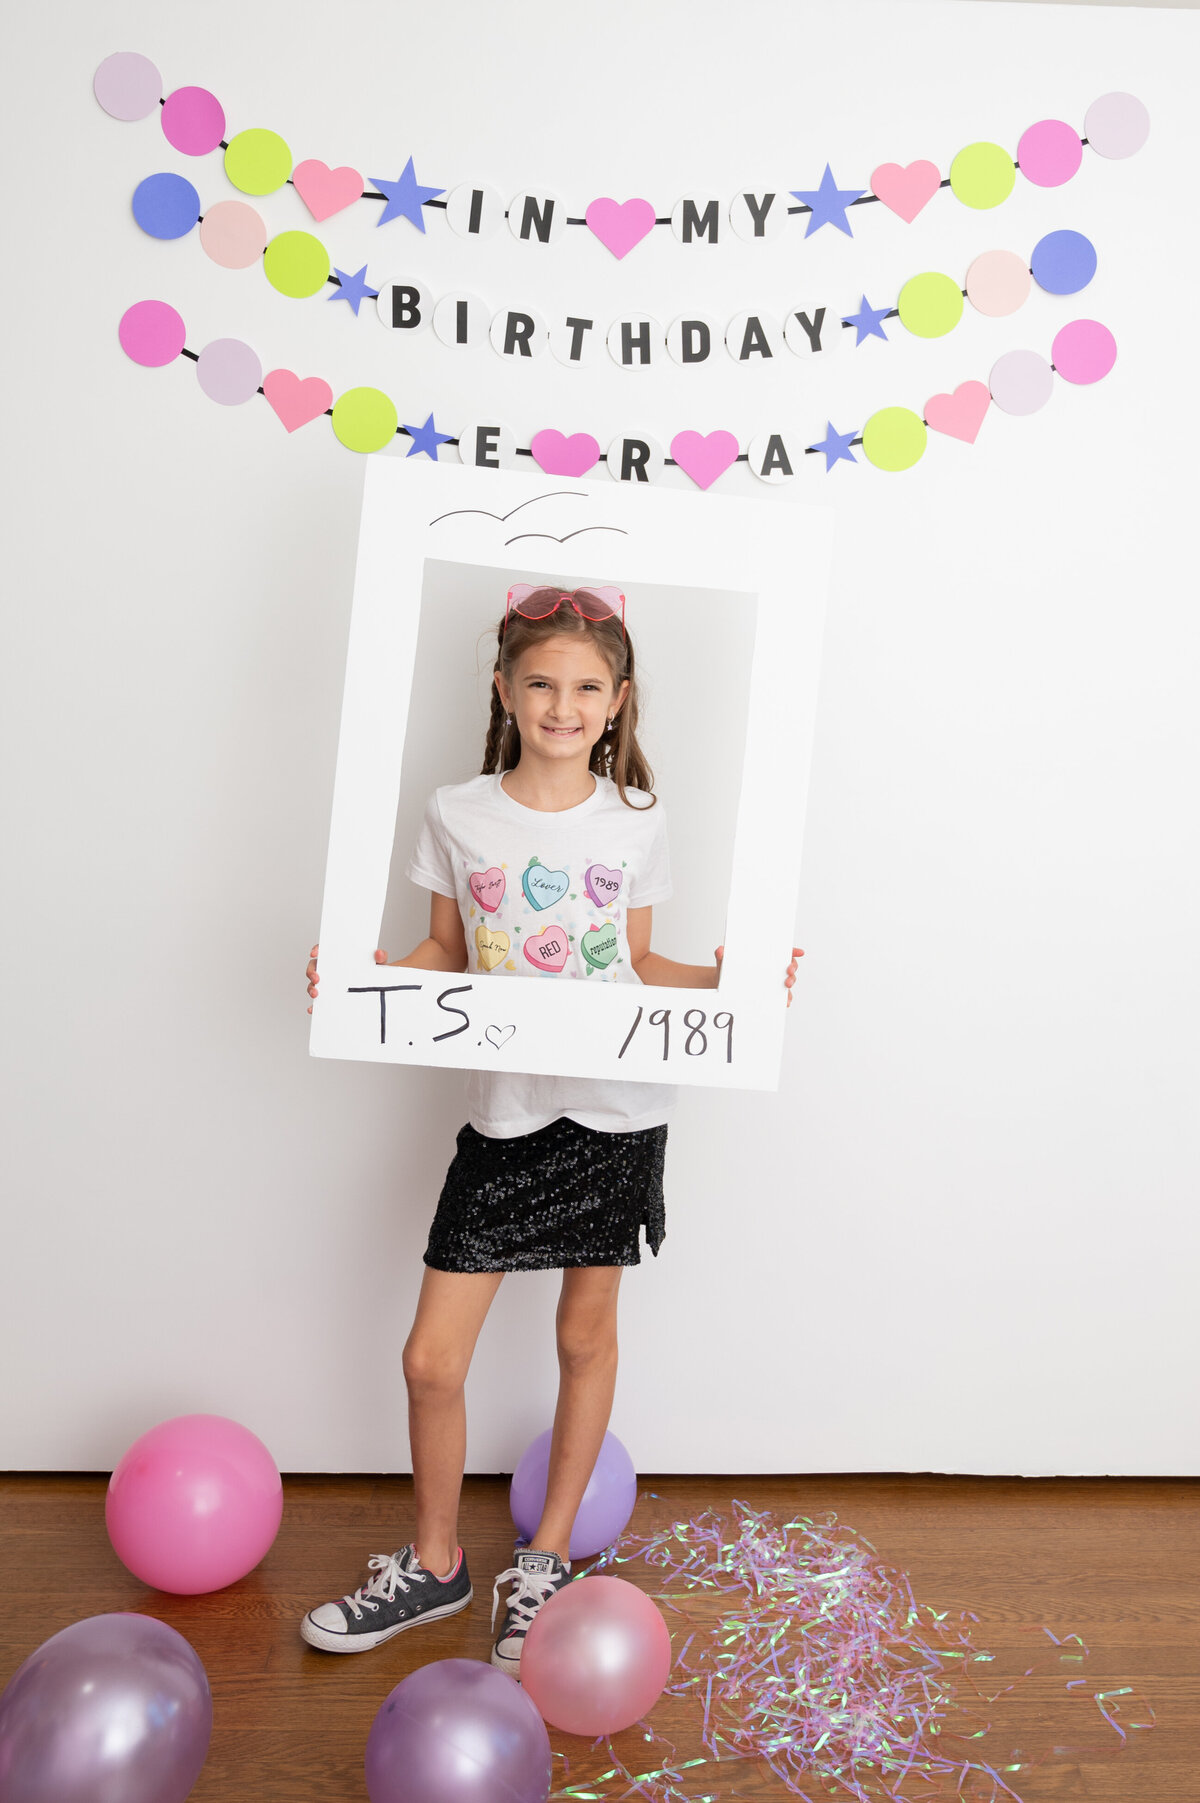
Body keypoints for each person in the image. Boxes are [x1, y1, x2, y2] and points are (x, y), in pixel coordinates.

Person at [299, 581, 802, 1677]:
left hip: (617, 1113)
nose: (562, 706)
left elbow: (634, 964)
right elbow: (442, 954)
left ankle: (549, 1558)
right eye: (541, 683)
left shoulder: (637, 819)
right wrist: (359, 982)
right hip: (508, 1114)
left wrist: (738, 983)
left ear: (618, 702)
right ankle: (437, 1565)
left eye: (585, 688)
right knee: (432, 1359)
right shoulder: (457, 811)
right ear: (505, 690)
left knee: (584, 1337)